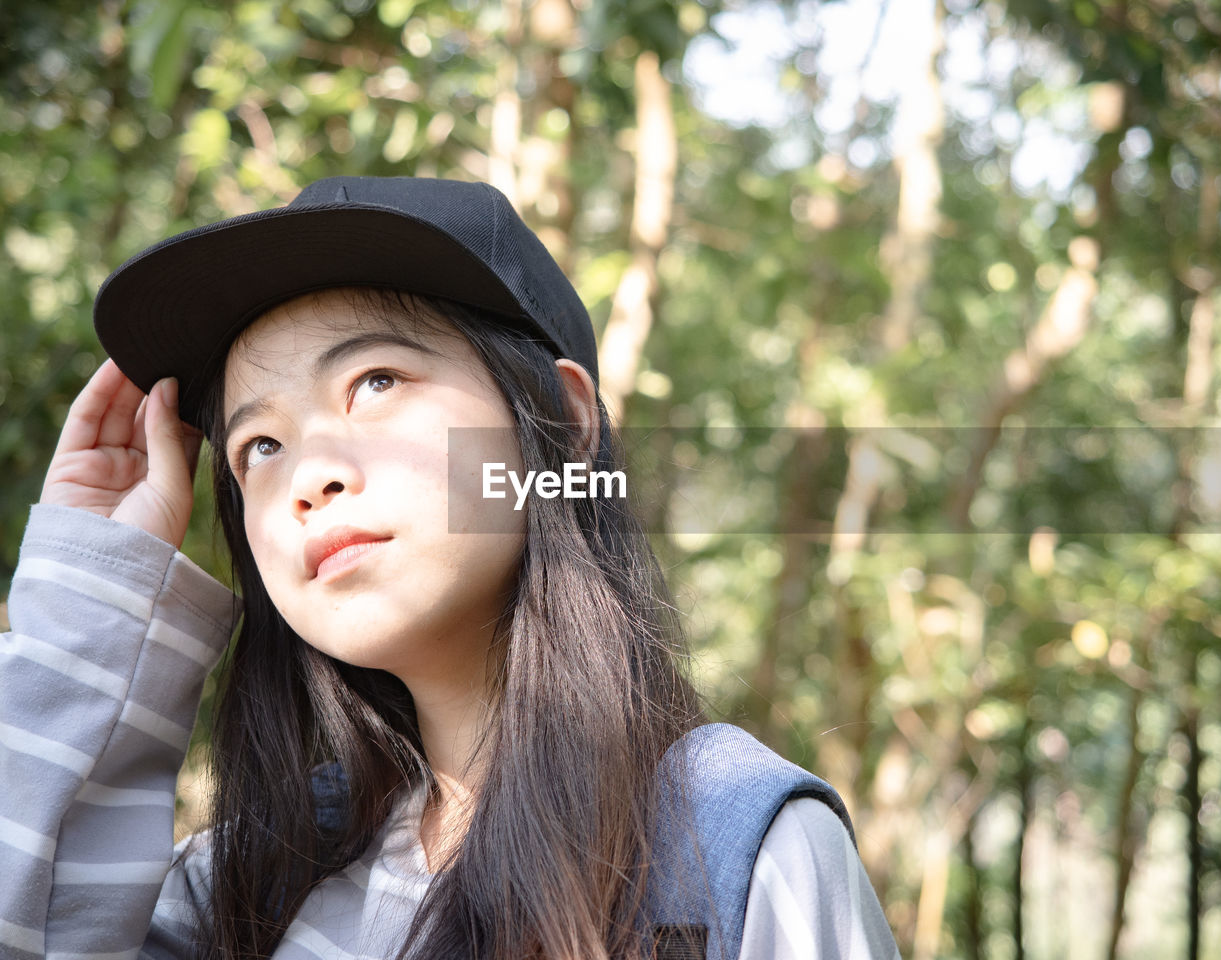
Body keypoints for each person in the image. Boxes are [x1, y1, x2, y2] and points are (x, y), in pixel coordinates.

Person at [0, 176, 900, 959]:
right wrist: (98, 588)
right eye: (260, 444)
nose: (310, 474)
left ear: (561, 422)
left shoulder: (729, 850)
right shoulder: (246, 889)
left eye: (376, 382)